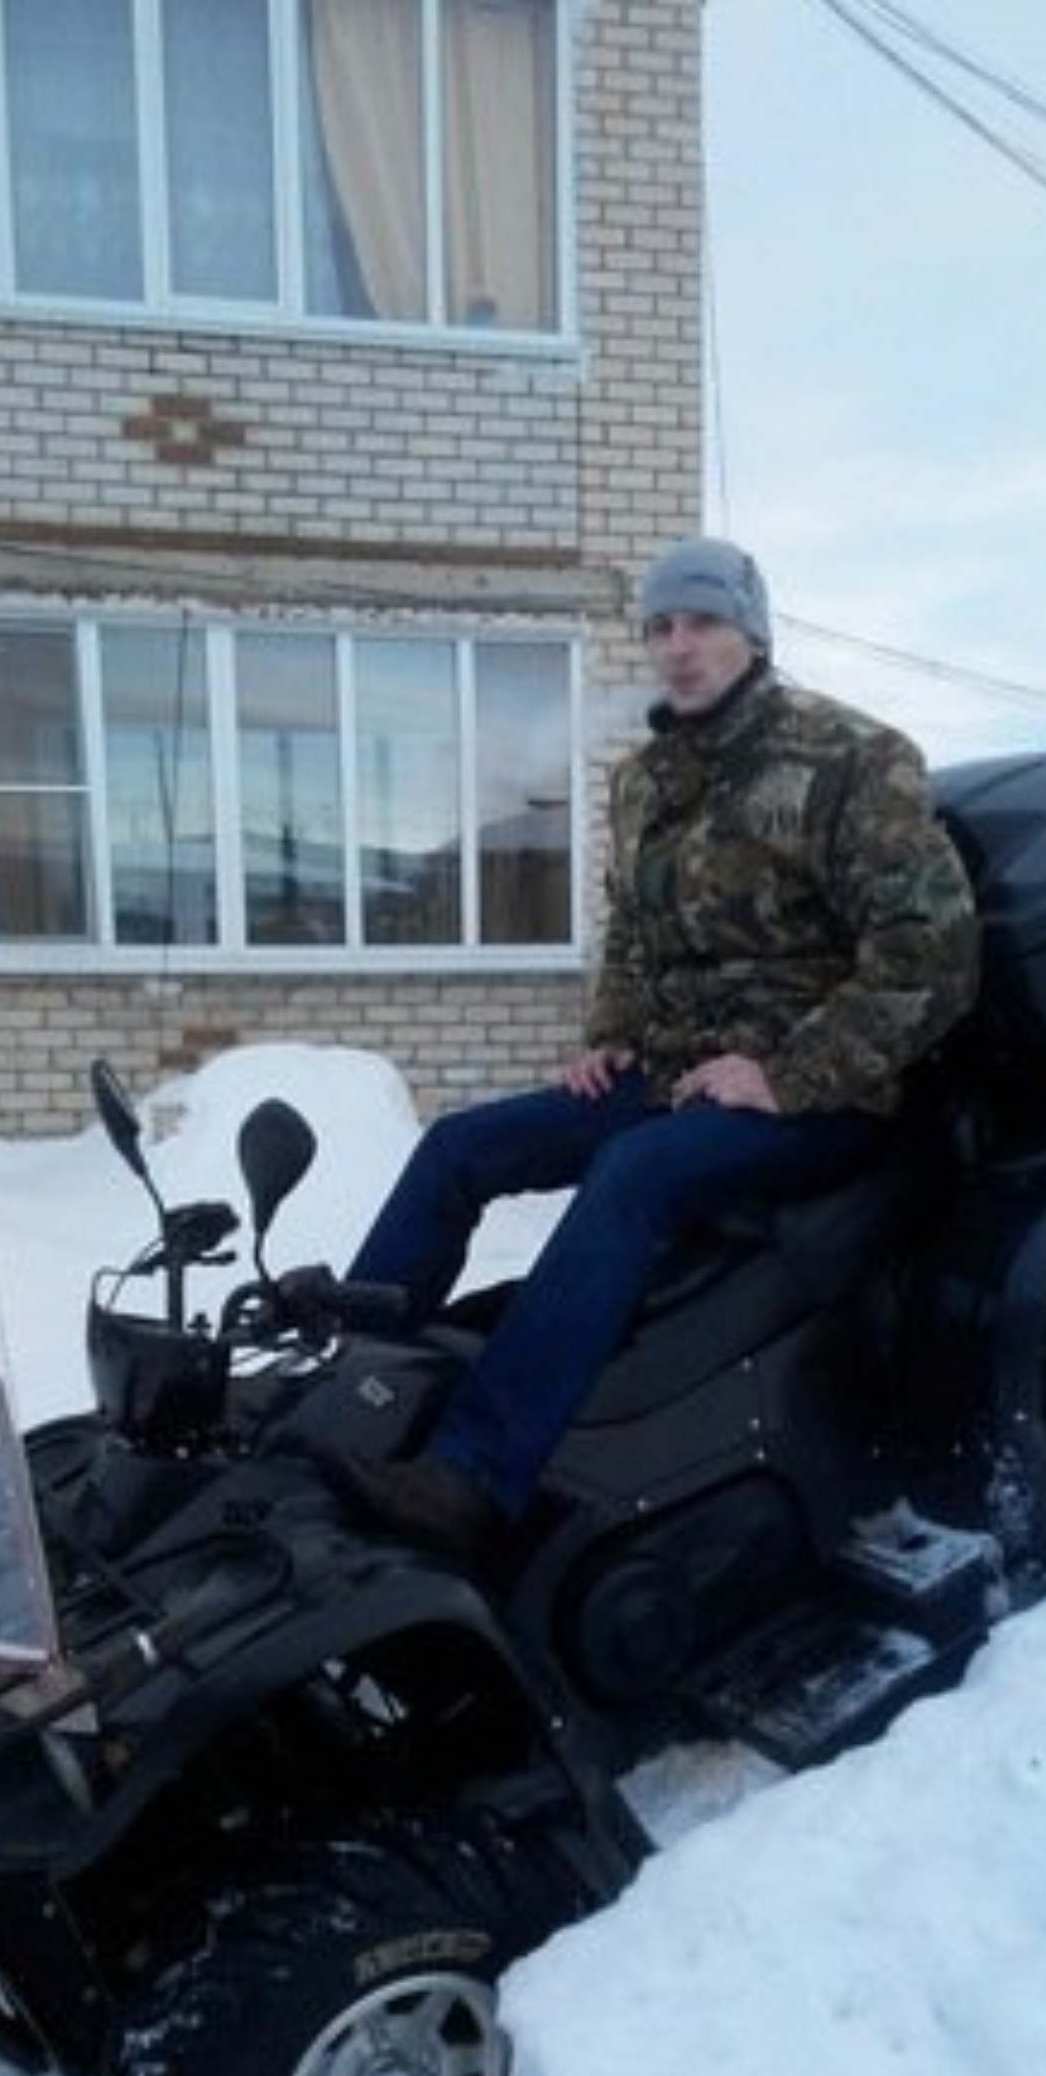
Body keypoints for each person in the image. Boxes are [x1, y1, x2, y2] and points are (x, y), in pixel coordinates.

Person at [325, 535, 981, 1560]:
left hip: (821, 1096)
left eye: (704, 621)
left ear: (751, 633)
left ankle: (471, 1475)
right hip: (676, 1079)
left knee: (636, 1174)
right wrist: (612, 1039)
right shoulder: (645, 782)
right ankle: (345, 1383)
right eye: (662, 626)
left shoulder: (849, 758)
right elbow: (632, 934)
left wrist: (787, 1072)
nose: (679, 646)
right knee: (461, 1145)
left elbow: (932, 953)